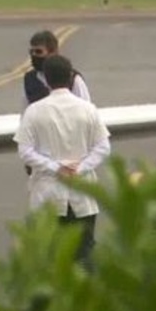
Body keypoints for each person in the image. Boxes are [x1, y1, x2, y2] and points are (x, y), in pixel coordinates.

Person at [14, 55, 111, 269]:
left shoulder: (34, 111)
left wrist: (55, 167)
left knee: (49, 256)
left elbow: (25, 151)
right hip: (82, 193)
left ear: (46, 80)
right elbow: (103, 147)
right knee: (84, 253)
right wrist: (81, 167)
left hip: (47, 194)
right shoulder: (88, 109)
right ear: (70, 78)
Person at [22, 29, 91, 108]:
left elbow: (85, 107)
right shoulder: (30, 80)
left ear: (53, 52)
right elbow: (26, 109)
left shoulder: (72, 78)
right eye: (31, 52)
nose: (34, 55)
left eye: (38, 52)